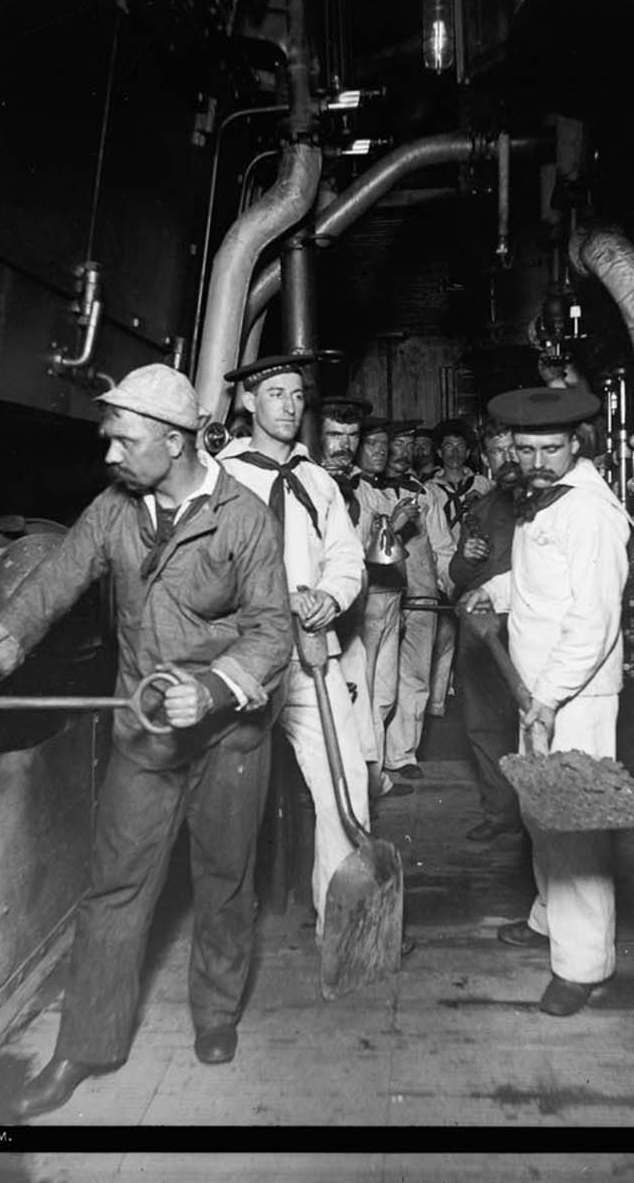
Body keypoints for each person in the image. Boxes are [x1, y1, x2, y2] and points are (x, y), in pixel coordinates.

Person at [0, 364, 292, 1117]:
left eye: (123, 441)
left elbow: (272, 630)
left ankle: (216, 1014)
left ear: (175, 440)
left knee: (224, 880)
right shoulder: (112, 511)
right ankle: (81, 1048)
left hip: (231, 738)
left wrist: (216, 687)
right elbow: (45, 593)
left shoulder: (244, 517)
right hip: (145, 733)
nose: (110, 455)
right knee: (114, 888)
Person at [460, 386, 631, 1018]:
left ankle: (584, 966)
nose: (535, 460)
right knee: (542, 815)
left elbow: (595, 619)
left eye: (549, 449)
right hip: (536, 691)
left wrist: (552, 698)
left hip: (574, 693)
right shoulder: (545, 500)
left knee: (576, 828)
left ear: (576, 445)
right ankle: (548, 918)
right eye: (524, 448)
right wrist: (497, 592)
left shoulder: (589, 512)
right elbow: (542, 581)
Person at [216, 357, 380, 934]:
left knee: (345, 783)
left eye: (296, 395)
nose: (289, 406)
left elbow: (346, 557)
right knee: (231, 795)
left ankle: (339, 922)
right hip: (242, 658)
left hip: (312, 654)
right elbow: (209, 565)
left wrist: (328, 599)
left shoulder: (318, 481)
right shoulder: (222, 476)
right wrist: (278, 596)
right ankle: (229, 923)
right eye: (275, 394)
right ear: (249, 404)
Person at [318, 396, 412, 802]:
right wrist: (396, 526)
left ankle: (370, 784)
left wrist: (393, 527)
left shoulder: (362, 486)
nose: (345, 445)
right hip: (327, 608)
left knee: (374, 695)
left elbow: (373, 554)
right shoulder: (309, 479)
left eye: (352, 436)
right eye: (335, 435)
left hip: (363, 602)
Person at [448, 419, 523, 842]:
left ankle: (536, 815)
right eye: (497, 451)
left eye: (514, 448)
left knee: (528, 721)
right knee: (483, 723)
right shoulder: (479, 508)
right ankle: (501, 815)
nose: (507, 459)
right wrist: (466, 556)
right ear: (487, 459)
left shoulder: (543, 503)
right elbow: (458, 575)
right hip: (481, 628)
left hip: (527, 626)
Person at [375, 420, 437, 782]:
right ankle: (375, 761)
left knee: (415, 676)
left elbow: (439, 544)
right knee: (381, 682)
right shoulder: (367, 489)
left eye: (406, 445)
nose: (400, 452)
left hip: (423, 593)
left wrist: (445, 584)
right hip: (384, 593)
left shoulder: (422, 493)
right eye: (394, 444)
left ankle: (403, 754)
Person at [422, 418, 492, 718]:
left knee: (478, 634)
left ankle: (477, 699)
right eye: (448, 447)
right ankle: (438, 703)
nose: (453, 453)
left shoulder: (484, 486)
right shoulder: (428, 488)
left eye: (459, 447)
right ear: (439, 452)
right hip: (441, 566)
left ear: (467, 452)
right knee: (443, 635)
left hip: (477, 568)